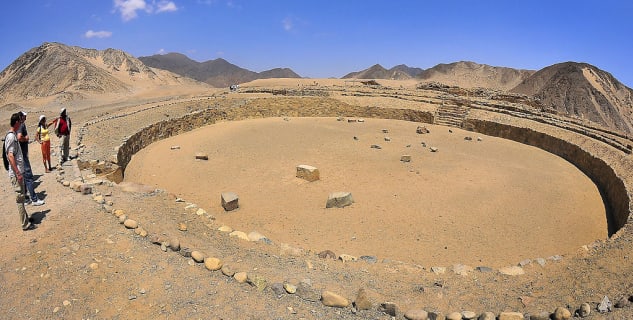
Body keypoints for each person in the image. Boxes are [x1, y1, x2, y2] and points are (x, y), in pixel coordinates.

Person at [5, 113, 34, 230]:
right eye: (20, 121)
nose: (21, 123)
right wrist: (17, 172)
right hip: (16, 174)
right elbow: (10, 156)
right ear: (16, 122)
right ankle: (25, 224)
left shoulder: (13, 135)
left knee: (21, 197)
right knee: (20, 199)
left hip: (19, 173)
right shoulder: (11, 137)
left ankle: (26, 219)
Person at [17, 111, 45, 206]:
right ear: (21, 117)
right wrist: (26, 139)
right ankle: (34, 199)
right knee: (28, 177)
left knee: (24, 179)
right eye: (25, 116)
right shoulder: (21, 125)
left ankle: (26, 199)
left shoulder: (17, 125)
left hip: (20, 156)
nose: (26, 118)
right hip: (23, 156)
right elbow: (19, 137)